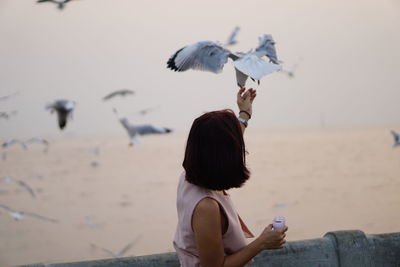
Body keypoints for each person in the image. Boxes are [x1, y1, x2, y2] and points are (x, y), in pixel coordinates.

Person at [173, 87, 288, 267]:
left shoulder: (189, 177)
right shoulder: (206, 207)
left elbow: (224, 141)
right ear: (225, 155)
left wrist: (245, 113)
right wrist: (262, 243)